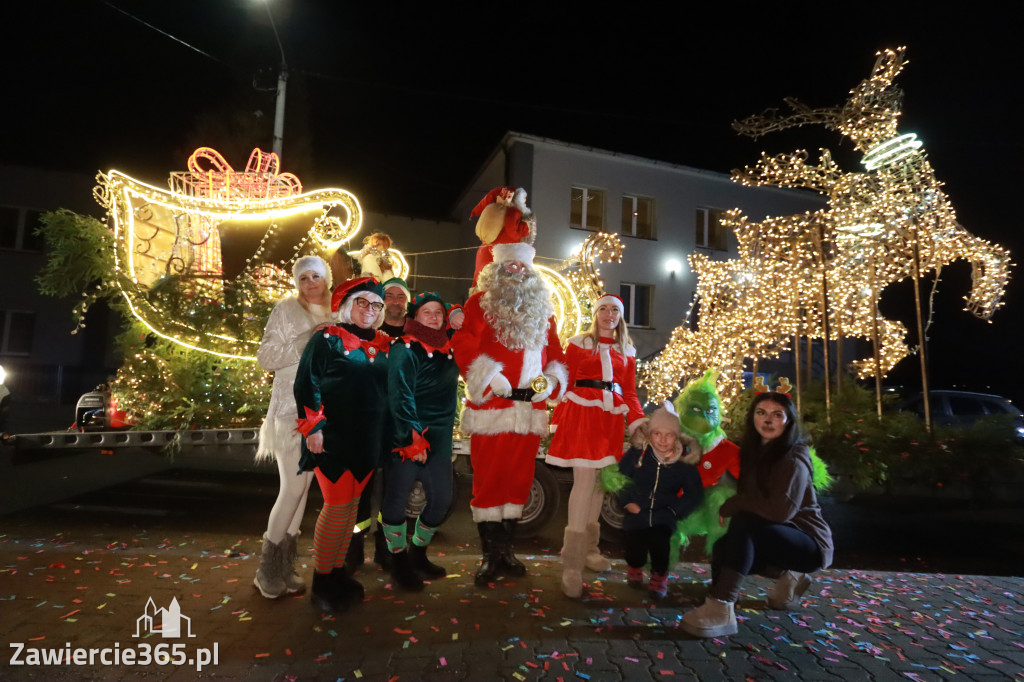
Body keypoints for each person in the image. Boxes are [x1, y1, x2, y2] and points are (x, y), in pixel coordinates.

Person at [452, 203, 568, 587]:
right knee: (489, 481)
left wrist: (551, 382)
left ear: (530, 272)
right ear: (498, 269)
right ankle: (488, 555)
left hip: (528, 409)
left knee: (519, 481)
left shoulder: (544, 312)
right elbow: (463, 346)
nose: (517, 273)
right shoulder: (478, 304)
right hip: (493, 407)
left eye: (523, 268)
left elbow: (555, 354)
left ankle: (506, 552)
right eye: (511, 267)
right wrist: (490, 377)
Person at [681, 391, 834, 638]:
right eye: (761, 413)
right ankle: (783, 577)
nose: (768, 420)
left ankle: (721, 609)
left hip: (806, 540)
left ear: (789, 421)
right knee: (723, 545)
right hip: (770, 533)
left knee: (743, 522)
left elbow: (779, 511)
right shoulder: (753, 451)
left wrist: (734, 504)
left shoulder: (793, 457)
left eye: (777, 415)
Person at [294, 276, 392, 612]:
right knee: (336, 506)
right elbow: (307, 383)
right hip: (332, 436)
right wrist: (314, 429)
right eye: (363, 302)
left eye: (376, 305)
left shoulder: (383, 343)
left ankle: (336, 572)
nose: (369, 310)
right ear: (349, 305)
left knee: (351, 507)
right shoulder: (327, 338)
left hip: (367, 438)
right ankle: (322, 583)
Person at [545, 294, 646, 598]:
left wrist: (638, 421)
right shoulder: (579, 343)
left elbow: (628, 392)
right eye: (603, 308)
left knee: (600, 485)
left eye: (615, 309)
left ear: (621, 315)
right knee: (585, 481)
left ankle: (590, 549)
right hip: (582, 416)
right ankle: (572, 564)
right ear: (595, 313)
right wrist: (557, 418)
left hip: (610, 420)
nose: (609, 313)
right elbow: (565, 380)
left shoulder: (627, 349)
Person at [252, 255, 334, 599]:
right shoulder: (286, 310)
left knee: (303, 490)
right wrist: (306, 340)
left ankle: (284, 568)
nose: (310, 282)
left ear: (327, 279)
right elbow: (266, 357)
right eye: (303, 277)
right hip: (289, 411)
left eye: (316, 276)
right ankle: (266, 569)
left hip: (322, 414)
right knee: (293, 488)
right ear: (296, 283)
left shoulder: (337, 313)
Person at [380, 292, 460, 590]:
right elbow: (399, 394)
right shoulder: (404, 347)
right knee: (397, 500)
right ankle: (398, 563)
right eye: (427, 312)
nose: (434, 317)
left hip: (439, 437)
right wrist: (412, 438)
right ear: (415, 316)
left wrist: (455, 310)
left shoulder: (448, 346)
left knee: (441, 500)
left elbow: (468, 316)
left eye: (438, 312)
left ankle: (417, 553)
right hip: (408, 435)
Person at [344, 275, 411, 571]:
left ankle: (386, 548)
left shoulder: (418, 332)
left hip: (398, 426)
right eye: (390, 296)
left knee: (394, 492)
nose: (395, 301)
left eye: (401, 297)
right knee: (361, 490)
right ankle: (354, 548)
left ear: (407, 303)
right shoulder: (368, 328)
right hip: (368, 425)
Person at [617, 403, 703, 599]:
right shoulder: (638, 456)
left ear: (676, 436)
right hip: (636, 513)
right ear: (650, 435)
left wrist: (674, 511)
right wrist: (627, 502)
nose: (663, 440)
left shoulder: (683, 462)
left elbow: (694, 492)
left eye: (669, 435)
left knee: (660, 547)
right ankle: (634, 567)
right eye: (658, 434)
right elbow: (620, 479)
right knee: (634, 550)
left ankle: (659, 578)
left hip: (663, 516)